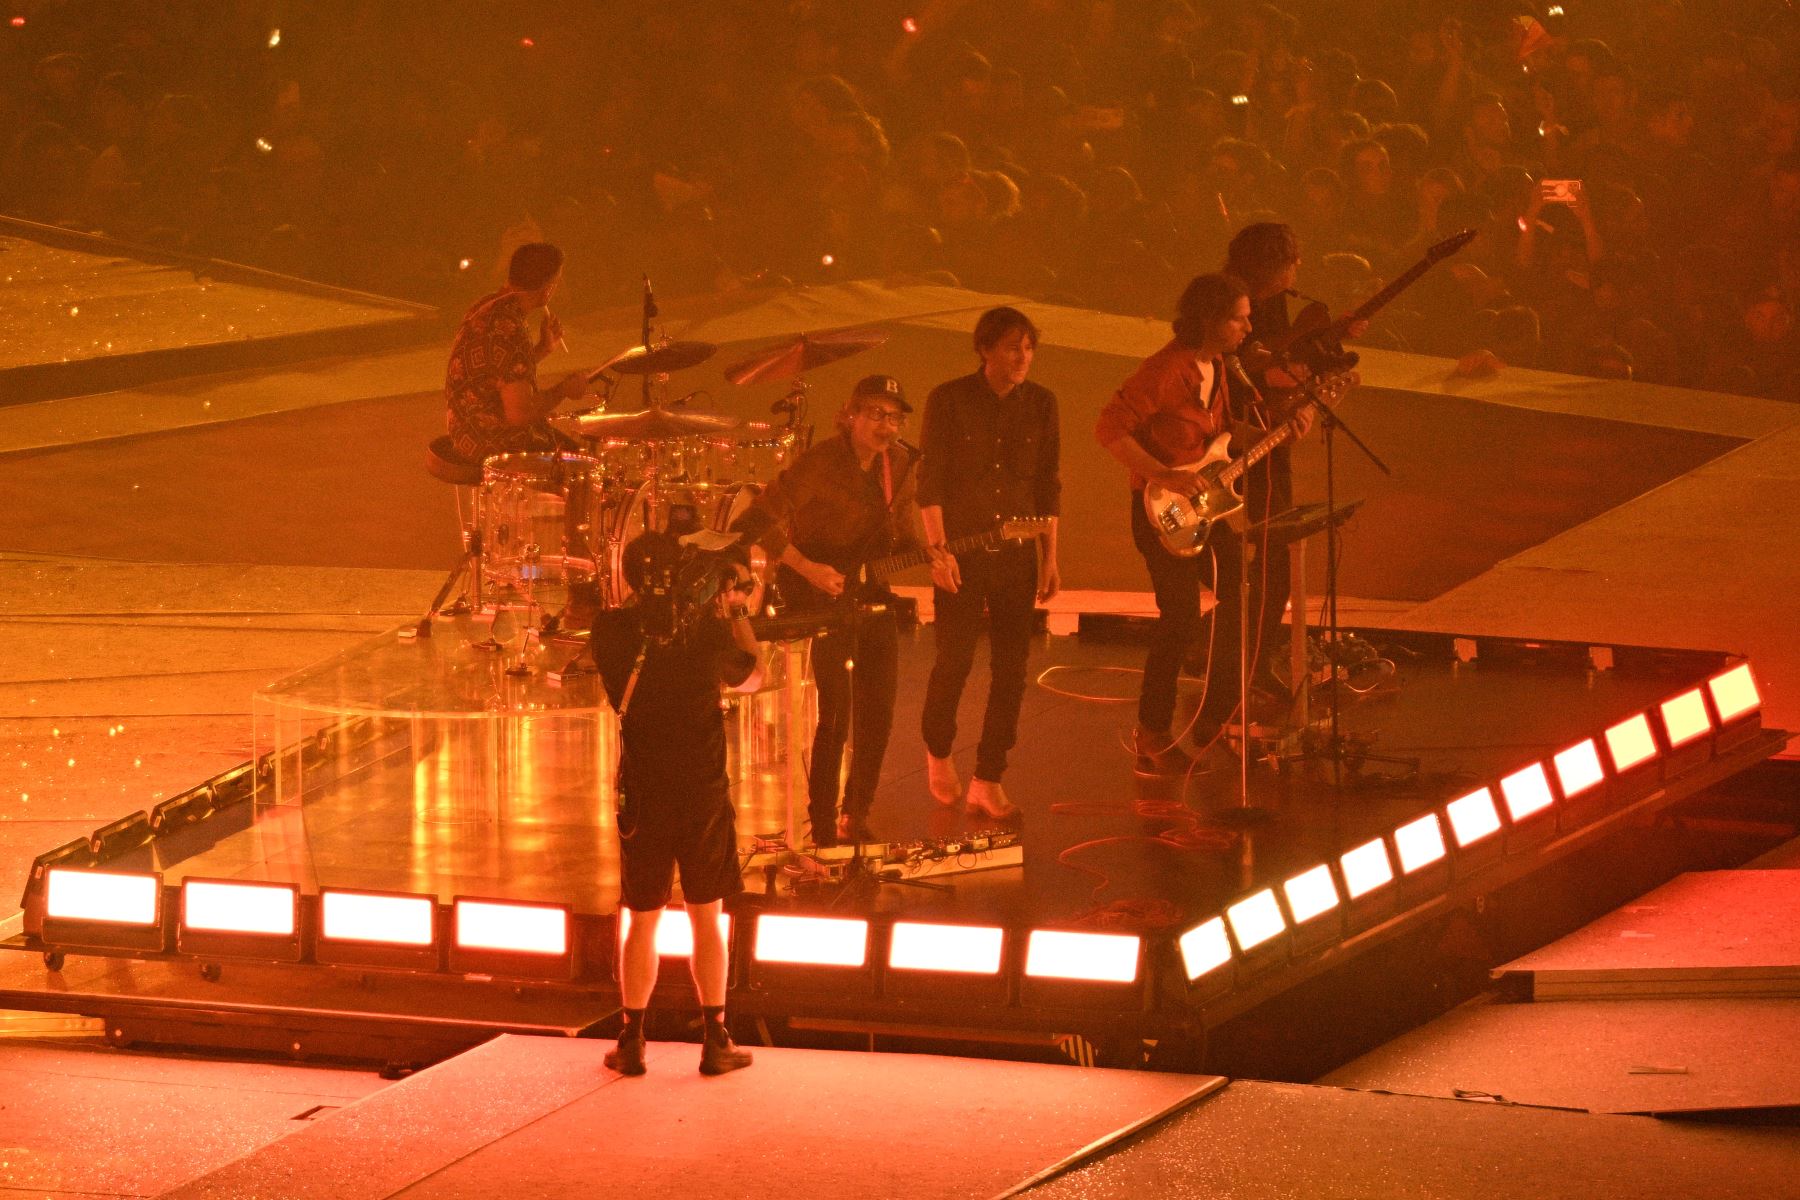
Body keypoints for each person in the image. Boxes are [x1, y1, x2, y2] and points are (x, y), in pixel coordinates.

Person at [590, 532, 764, 1078]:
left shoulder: (610, 630)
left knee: (641, 919)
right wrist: (736, 611)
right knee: (706, 917)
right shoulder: (710, 635)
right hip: (702, 793)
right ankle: (716, 1037)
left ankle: (633, 1039)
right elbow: (754, 677)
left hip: (643, 795)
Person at [733, 375, 922, 847]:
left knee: (879, 706)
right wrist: (806, 566)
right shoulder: (820, 462)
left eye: (894, 417)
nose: (887, 426)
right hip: (816, 590)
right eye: (876, 414)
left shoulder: (899, 463)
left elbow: (901, 529)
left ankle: (856, 812)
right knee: (835, 709)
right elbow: (755, 519)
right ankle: (821, 822)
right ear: (851, 416)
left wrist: (937, 553)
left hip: (870, 589)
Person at [1095, 273, 1256, 774]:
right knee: (1180, 616)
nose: (1248, 328)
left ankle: (1218, 712)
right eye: (1239, 318)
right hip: (1160, 510)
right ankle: (1153, 732)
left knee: (1245, 590)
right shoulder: (1165, 370)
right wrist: (1162, 473)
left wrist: (1285, 429)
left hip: (1206, 506)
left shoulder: (1220, 369)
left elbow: (1219, 437)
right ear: (1211, 320)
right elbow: (1109, 428)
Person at [917, 306, 1060, 820]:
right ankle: (937, 752)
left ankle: (988, 777)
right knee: (953, 661)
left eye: (1028, 347)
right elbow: (929, 484)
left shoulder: (1042, 404)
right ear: (985, 350)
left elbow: (1047, 485)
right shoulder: (950, 400)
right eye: (1011, 347)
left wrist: (1050, 556)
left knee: (1012, 670)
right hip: (961, 554)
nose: (1022, 357)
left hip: (1018, 557)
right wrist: (939, 553)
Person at [443, 241, 589, 465]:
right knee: (579, 463)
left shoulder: (486, 305)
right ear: (548, 287)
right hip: (489, 443)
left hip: (463, 432)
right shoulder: (512, 330)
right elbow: (519, 415)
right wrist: (564, 390)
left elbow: (499, 372)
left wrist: (542, 349)